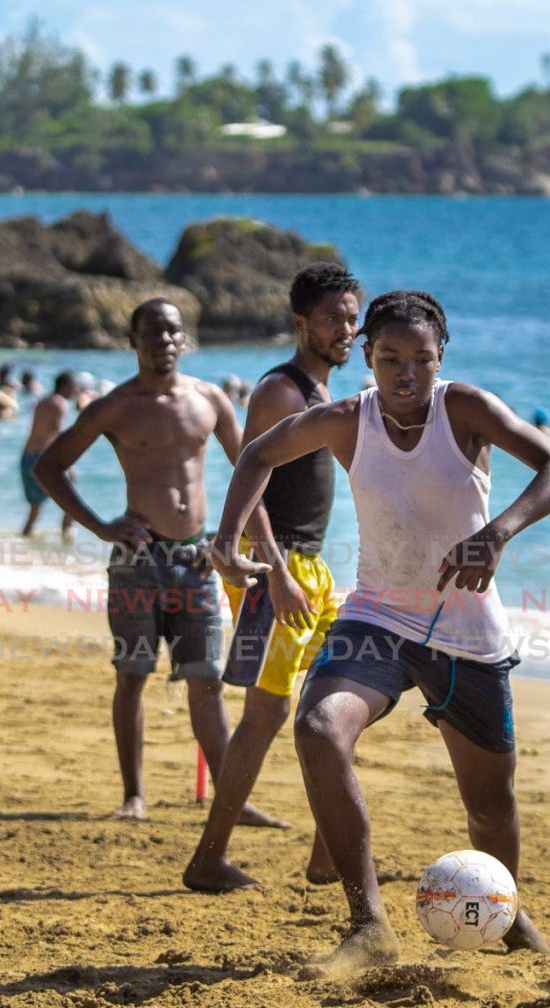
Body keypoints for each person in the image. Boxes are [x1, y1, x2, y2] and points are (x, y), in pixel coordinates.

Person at [211, 290, 550, 974]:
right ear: (366, 357)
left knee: (490, 809)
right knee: (319, 728)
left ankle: (505, 915)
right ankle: (367, 925)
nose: (404, 373)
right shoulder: (345, 420)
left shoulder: (463, 408)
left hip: (465, 631)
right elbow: (256, 454)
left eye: (420, 359)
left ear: (441, 359)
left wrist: (497, 532)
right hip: (377, 615)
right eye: (388, 359)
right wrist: (230, 539)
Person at [34, 299, 283, 825]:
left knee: (206, 680)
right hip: (137, 564)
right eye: (151, 333)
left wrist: (237, 542)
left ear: (184, 339)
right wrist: (101, 526)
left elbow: (250, 473)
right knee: (133, 674)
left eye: (172, 332)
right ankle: (134, 795)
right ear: (133, 339)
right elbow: (49, 467)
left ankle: (230, 801)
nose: (163, 341)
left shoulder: (209, 398)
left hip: (195, 560)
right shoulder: (114, 406)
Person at [184, 262, 360, 893]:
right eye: (333, 317)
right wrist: (278, 573)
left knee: (337, 700)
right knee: (267, 715)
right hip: (274, 567)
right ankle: (209, 859)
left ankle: (324, 857)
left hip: (310, 567)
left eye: (350, 315)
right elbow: (247, 477)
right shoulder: (281, 390)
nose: (346, 327)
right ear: (300, 322)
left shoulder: (324, 395)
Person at [20, 372, 78, 538]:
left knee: (35, 508)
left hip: (27, 457)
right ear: (64, 386)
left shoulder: (43, 401)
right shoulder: (60, 404)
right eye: (73, 387)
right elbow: (59, 434)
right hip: (42, 458)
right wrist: (69, 463)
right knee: (71, 499)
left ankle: (25, 538)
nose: (75, 391)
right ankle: (67, 536)